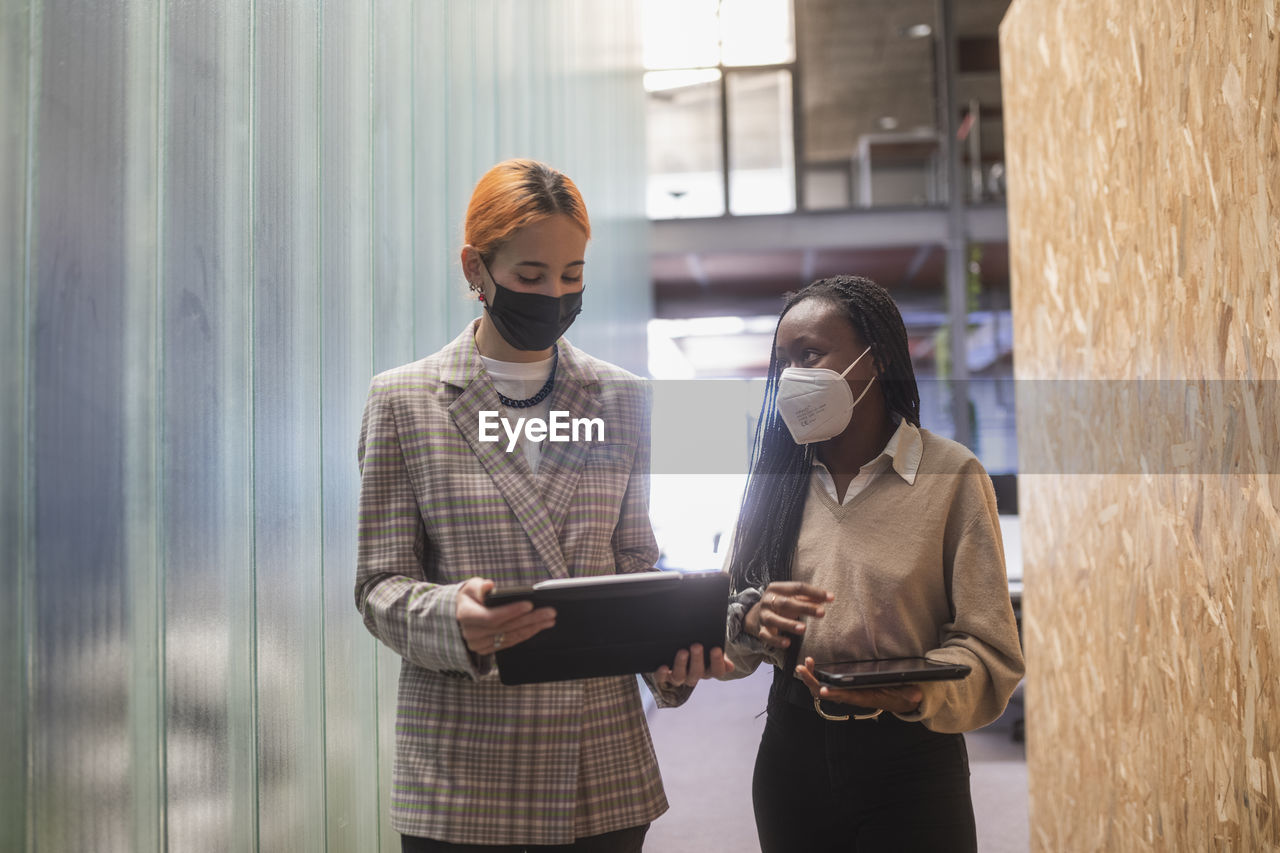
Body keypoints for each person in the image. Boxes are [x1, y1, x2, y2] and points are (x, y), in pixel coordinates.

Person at [354, 159, 730, 852]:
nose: (554, 295)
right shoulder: (404, 401)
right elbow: (378, 586)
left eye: (572, 275)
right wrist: (453, 618)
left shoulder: (622, 398)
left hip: (599, 770)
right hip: (464, 773)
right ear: (476, 267)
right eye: (530, 277)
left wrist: (671, 657)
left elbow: (633, 563)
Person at [721, 275, 1024, 853]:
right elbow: (726, 642)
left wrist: (916, 692)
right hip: (793, 753)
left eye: (809, 354)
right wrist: (750, 620)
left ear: (877, 356)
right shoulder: (772, 487)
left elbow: (991, 651)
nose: (791, 378)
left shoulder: (952, 476)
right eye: (782, 363)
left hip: (911, 760)